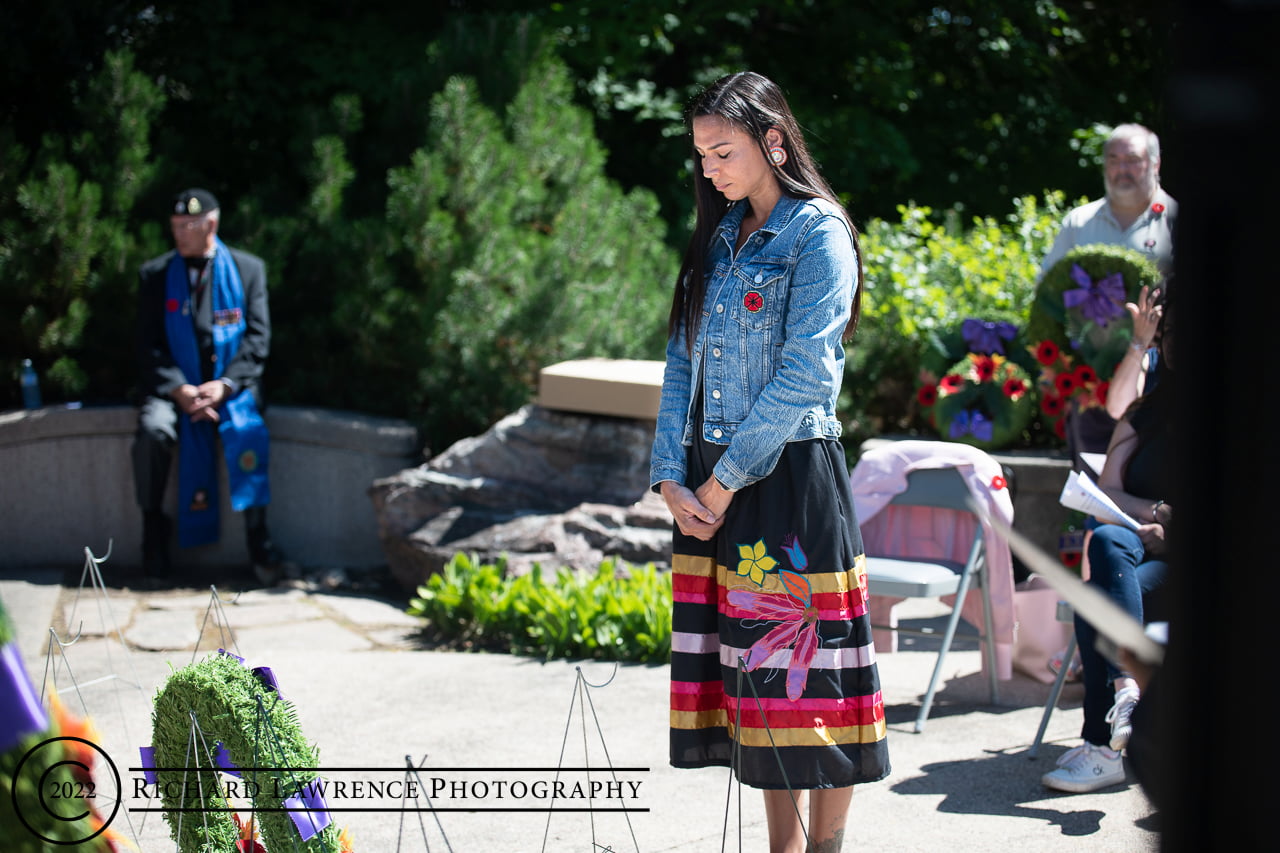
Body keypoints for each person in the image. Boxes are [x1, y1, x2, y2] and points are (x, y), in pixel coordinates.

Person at [650, 72, 889, 852]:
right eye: (701, 155)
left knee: (813, 679)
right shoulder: (720, 235)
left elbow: (807, 376)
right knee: (756, 684)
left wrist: (719, 481)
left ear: (773, 142)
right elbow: (681, 358)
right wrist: (669, 477)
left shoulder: (819, 232)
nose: (710, 169)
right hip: (716, 487)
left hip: (787, 478)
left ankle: (825, 847)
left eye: (723, 152)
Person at [1041, 300, 1174, 794]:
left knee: (1094, 597)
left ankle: (1102, 745)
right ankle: (1127, 689)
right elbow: (1107, 494)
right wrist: (1157, 512)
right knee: (1110, 540)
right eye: (1168, 335)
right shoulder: (1147, 414)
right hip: (1136, 554)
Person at [132, 188, 287, 584]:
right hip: (172, 390)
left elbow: (257, 339)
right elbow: (145, 345)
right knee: (153, 432)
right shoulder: (155, 275)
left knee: (249, 429)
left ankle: (257, 536)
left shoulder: (248, 270)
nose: (180, 234)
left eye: (188, 226)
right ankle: (153, 533)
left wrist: (225, 385)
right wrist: (179, 390)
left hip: (230, 387)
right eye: (175, 226)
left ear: (211, 225)